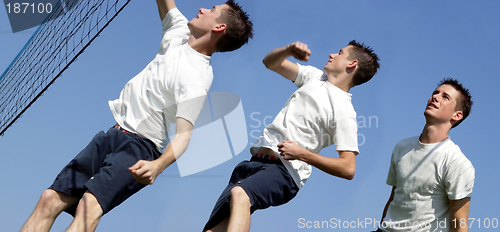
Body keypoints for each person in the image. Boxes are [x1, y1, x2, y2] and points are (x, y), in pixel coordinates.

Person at [21, 0, 253, 231]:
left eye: (212, 10)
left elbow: (184, 135)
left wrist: (158, 166)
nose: (202, 9)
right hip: (112, 134)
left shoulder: (197, 78)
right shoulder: (179, 30)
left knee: (88, 207)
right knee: (49, 199)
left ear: (219, 28)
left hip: (140, 147)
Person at [203, 40, 380, 232]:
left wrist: (302, 154)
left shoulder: (344, 111)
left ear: (352, 64)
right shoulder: (315, 77)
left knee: (241, 194)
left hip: (285, 172)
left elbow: (348, 168)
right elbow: (270, 62)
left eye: (339, 53)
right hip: (252, 164)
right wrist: (288, 50)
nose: (332, 55)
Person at [374, 78, 475, 232]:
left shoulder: (458, 163)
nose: (435, 97)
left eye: (445, 97)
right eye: (435, 93)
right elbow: (393, 198)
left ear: (457, 115)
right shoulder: (402, 147)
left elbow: (460, 225)